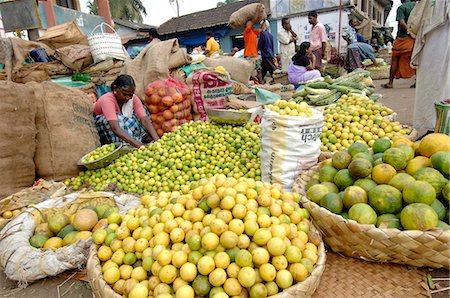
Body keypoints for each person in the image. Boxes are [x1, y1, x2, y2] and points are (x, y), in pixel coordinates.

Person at [412, 0, 450, 132]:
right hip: (435, 22)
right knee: (432, 77)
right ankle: (433, 126)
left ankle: (440, 127)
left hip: (440, 22)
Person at [94, 75, 159, 148]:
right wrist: (139, 145)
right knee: (116, 118)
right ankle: (129, 144)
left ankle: (139, 138)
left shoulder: (133, 98)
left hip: (124, 126)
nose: (128, 98)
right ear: (115, 88)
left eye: (130, 95)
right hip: (110, 129)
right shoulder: (107, 100)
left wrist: (158, 141)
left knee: (143, 110)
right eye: (124, 94)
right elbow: (115, 128)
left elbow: (144, 119)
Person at [381, 0, 416, 89]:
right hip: (414, 38)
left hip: (403, 38)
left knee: (395, 59)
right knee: (415, 60)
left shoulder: (401, 7)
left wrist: (409, 31)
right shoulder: (416, 6)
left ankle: (390, 83)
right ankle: (417, 81)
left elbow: (401, 22)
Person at [243, 4, 263, 82]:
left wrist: (263, 20)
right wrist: (257, 11)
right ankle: (251, 83)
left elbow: (261, 29)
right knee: (249, 71)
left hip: (255, 55)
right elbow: (253, 21)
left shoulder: (254, 32)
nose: (251, 24)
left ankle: (261, 83)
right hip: (249, 55)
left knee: (259, 70)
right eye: (250, 23)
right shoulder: (246, 32)